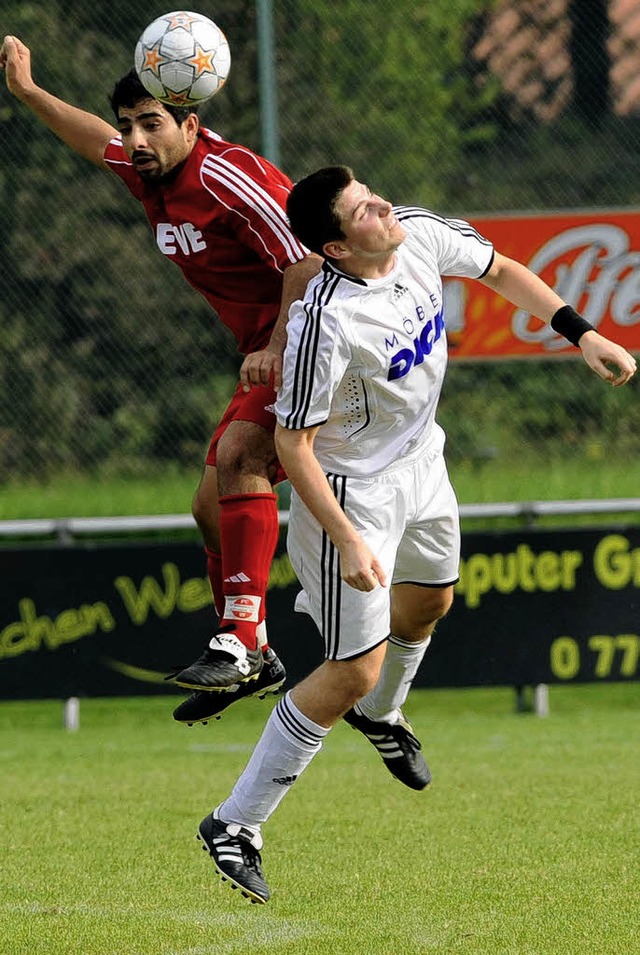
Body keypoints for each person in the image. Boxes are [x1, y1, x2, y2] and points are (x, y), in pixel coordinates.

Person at [191, 164, 637, 904]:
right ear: (335, 248)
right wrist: (348, 537)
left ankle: (383, 713)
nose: (380, 204)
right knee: (350, 668)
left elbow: (502, 268)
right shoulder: (324, 322)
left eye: (370, 191)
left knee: (431, 601)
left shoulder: (420, 233)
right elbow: (294, 447)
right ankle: (235, 822)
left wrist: (581, 334)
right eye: (361, 209)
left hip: (422, 462)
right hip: (349, 494)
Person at [0, 35, 322, 725]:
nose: (135, 139)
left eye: (152, 124)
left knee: (241, 455)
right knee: (210, 509)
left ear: (192, 126)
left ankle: (238, 640)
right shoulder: (149, 169)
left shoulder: (224, 175)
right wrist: (29, 93)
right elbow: (93, 141)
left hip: (319, 337)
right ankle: (257, 650)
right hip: (271, 348)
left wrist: (274, 344)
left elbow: (307, 262)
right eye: (129, 125)